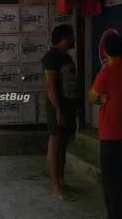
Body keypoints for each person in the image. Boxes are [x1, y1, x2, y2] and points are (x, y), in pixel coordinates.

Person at [89, 33, 122, 219]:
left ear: (105, 51)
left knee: (110, 180)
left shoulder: (106, 72)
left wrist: (100, 97)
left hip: (109, 131)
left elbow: (92, 96)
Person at [42, 24, 78, 199]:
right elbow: (51, 87)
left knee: (63, 145)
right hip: (58, 106)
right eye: (71, 36)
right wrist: (58, 109)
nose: (73, 39)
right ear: (64, 38)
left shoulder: (66, 57)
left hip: (68, 105)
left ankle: (62, 181)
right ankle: (55, 185)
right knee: (55, 143)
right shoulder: (51, 58)